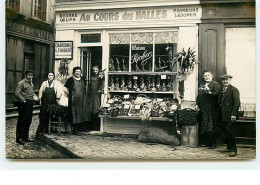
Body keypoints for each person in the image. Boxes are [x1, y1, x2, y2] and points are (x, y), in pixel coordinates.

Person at [196, 71, 220, 149]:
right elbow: (199, 96)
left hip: (211, 109)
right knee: (204, 126)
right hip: (203, 109)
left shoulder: (215, 84)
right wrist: (197, 104)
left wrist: (209, 92)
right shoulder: (202, 85)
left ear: (212, 76)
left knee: (211, 126)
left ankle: (213, 143)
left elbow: (217, 94)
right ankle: (207, 142)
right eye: (205, 76)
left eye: (208, 75)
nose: (206, 77)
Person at [218, 74, 240, 157]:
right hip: (222, 115)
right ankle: (228, 147)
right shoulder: (222, 90)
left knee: (230, 132)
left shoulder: (234, 90)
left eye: (227, 80)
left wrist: (233, 114)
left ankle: (233, 150)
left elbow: (237, 103)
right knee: (225, 132)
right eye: (223, 80)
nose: (225, 81)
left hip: (230, 115)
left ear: (230, 80)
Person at [64, 67, 90, 135]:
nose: (78, 73)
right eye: (76, 71)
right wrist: (70, 94)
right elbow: (64, 88)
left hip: (82, 99)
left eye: (79, 71)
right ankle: (74, 130)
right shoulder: (70, 80)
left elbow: (85, 88)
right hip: (74, 100)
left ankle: (82, 128)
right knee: (75, 114)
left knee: (82, 113)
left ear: (81, 72)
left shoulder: (83, 79)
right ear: (73, 72)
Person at [15, 70, 38, 145]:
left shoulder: (31, 83)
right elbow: (17, 93)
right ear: (25, 75)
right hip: (24, 104)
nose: (30, 77)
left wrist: (34, 97)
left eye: (31, 75)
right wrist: (24, 101)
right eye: (28, 75)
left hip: (30, 103)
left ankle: (25, 137)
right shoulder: (21, 83)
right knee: (22, 121)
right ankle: (19, 138)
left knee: (28, 120)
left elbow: (31, 92)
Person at [36, 72, 62, 138]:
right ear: (48, 76)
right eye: (49, 75)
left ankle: (49, 129)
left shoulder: (56, 83)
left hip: (52, 102)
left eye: (52, 75)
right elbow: (41, 91)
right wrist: (40, 100)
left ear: (53, 76)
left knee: (51, 115)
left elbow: (58, 92)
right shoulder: (44, 83)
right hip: (45, 102)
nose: (50, 76)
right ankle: (41, 130)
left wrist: (57, 99)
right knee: (43, 116)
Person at [88, 66, 104, 131]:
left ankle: (97, 127)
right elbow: (90, 86)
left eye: (96, 70)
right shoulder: (92, 77)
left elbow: (102, 84)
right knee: (91, 110)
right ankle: (93, 126)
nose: (95, 71)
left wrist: (100, 89)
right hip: (92, 95)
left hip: (97, 95)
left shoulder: (100, 77)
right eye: (94, 70)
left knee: (97, 110)